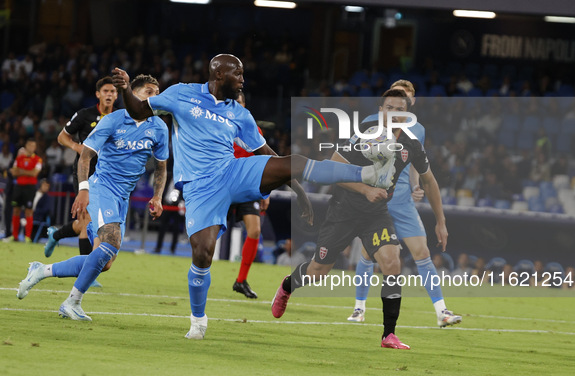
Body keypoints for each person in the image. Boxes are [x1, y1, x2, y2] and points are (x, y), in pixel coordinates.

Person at [111, 54, 398, 340]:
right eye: (238, 74)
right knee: (202, 252)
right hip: (200, 185)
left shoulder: (240, 113)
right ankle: (198, 320)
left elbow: (265, 153)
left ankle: (365, 175)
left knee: (293, 160)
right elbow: (138, 110)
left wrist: (298, 190)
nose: (243, 79)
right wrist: (125, 89)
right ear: (220, 75)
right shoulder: (181, 94)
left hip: (233, 171)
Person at [271, 88, 440, 349]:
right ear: (381, 111)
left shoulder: (411, 145)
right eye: (389, 108)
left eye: (400, 109)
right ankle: (287, 286)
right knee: (318, 272)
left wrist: (441, 220)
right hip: (344, 209)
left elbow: (429, 180)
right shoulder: (364, 137)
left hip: (376, 213)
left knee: (392, 261)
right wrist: (366, 189)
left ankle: (388, 335)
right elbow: (332, 169)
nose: (394, 114)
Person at [16, 75, 168, 321]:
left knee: (104, 261)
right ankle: (72, 302)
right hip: (102, 187)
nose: (154, 98)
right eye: (148, 92)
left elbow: (161, 167)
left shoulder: (159, 127)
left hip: (123, 196)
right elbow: (86, 155)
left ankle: (41, 270)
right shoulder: (113, 120)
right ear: (134, 95)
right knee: (110, 242)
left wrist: (158, 196)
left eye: (157, 93)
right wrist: (84, 189)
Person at [347, 80, 461, 328]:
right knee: (368, 254)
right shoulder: (370, 122)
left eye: (406, 100)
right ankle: (359, 308)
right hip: (377, 198)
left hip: (402, 200)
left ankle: (442, 312)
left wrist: (415, 186)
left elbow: (415, 162)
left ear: (412, 103)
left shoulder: (418, 129)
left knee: (422, 252)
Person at [44, 77, 118, 258]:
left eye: (112, 91)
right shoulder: (85, 115)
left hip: (108, 176)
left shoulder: (120, 117)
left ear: (117, 95)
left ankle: (56, 234)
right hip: (85, 173)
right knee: (87, 221)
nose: (109, 94)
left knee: (84, 222)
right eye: (105, 91)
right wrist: (78, 148)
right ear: (98, 94)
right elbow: (62, 137)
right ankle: (87, 271)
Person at [230, 92, 268, 299]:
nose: (237, 105)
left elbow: (261, 162)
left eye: (240, 102)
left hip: (247, 187)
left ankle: (241, 280)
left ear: (245, 105)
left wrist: (265, 190)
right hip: (222, 184)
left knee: (254, 231)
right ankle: (199, 272)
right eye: (233, 102)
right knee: (210, 232)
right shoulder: (218, 127)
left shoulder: (254, 129)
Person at [3, 139, 42, 242]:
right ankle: (14, 236)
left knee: (28, 211)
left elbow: (35, 173)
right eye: (29, 145)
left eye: (33, 146)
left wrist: (21, 171)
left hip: (30, 188)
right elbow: (14, 173)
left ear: (35, 148)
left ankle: (27, 237)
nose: (31, 148)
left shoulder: (38, 159)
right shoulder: (19, 158)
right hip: (18, 187)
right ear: (26, 146)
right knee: (16, 210)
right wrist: (27, 171)